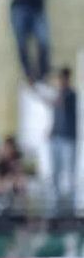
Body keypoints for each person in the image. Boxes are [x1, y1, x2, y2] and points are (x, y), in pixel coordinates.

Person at [49, 67, 78, 212]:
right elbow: (56, 115)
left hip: (68, 139)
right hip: (56, 138)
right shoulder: (58, 95)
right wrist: (51, 130)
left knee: (68, 171)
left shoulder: (71, 95)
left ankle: (71, 204)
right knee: (55, 170)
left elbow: (61, 105)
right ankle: (56, 203)